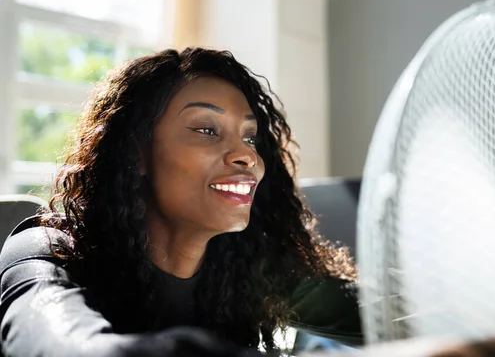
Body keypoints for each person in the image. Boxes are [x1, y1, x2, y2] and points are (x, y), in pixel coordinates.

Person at [0, 48, 361, 356]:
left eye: (250, 137)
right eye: (206, 130)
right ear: (137, 152)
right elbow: (59, 341)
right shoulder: (46, 250)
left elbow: (380, 314)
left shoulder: (246, 269)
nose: (247, 156)